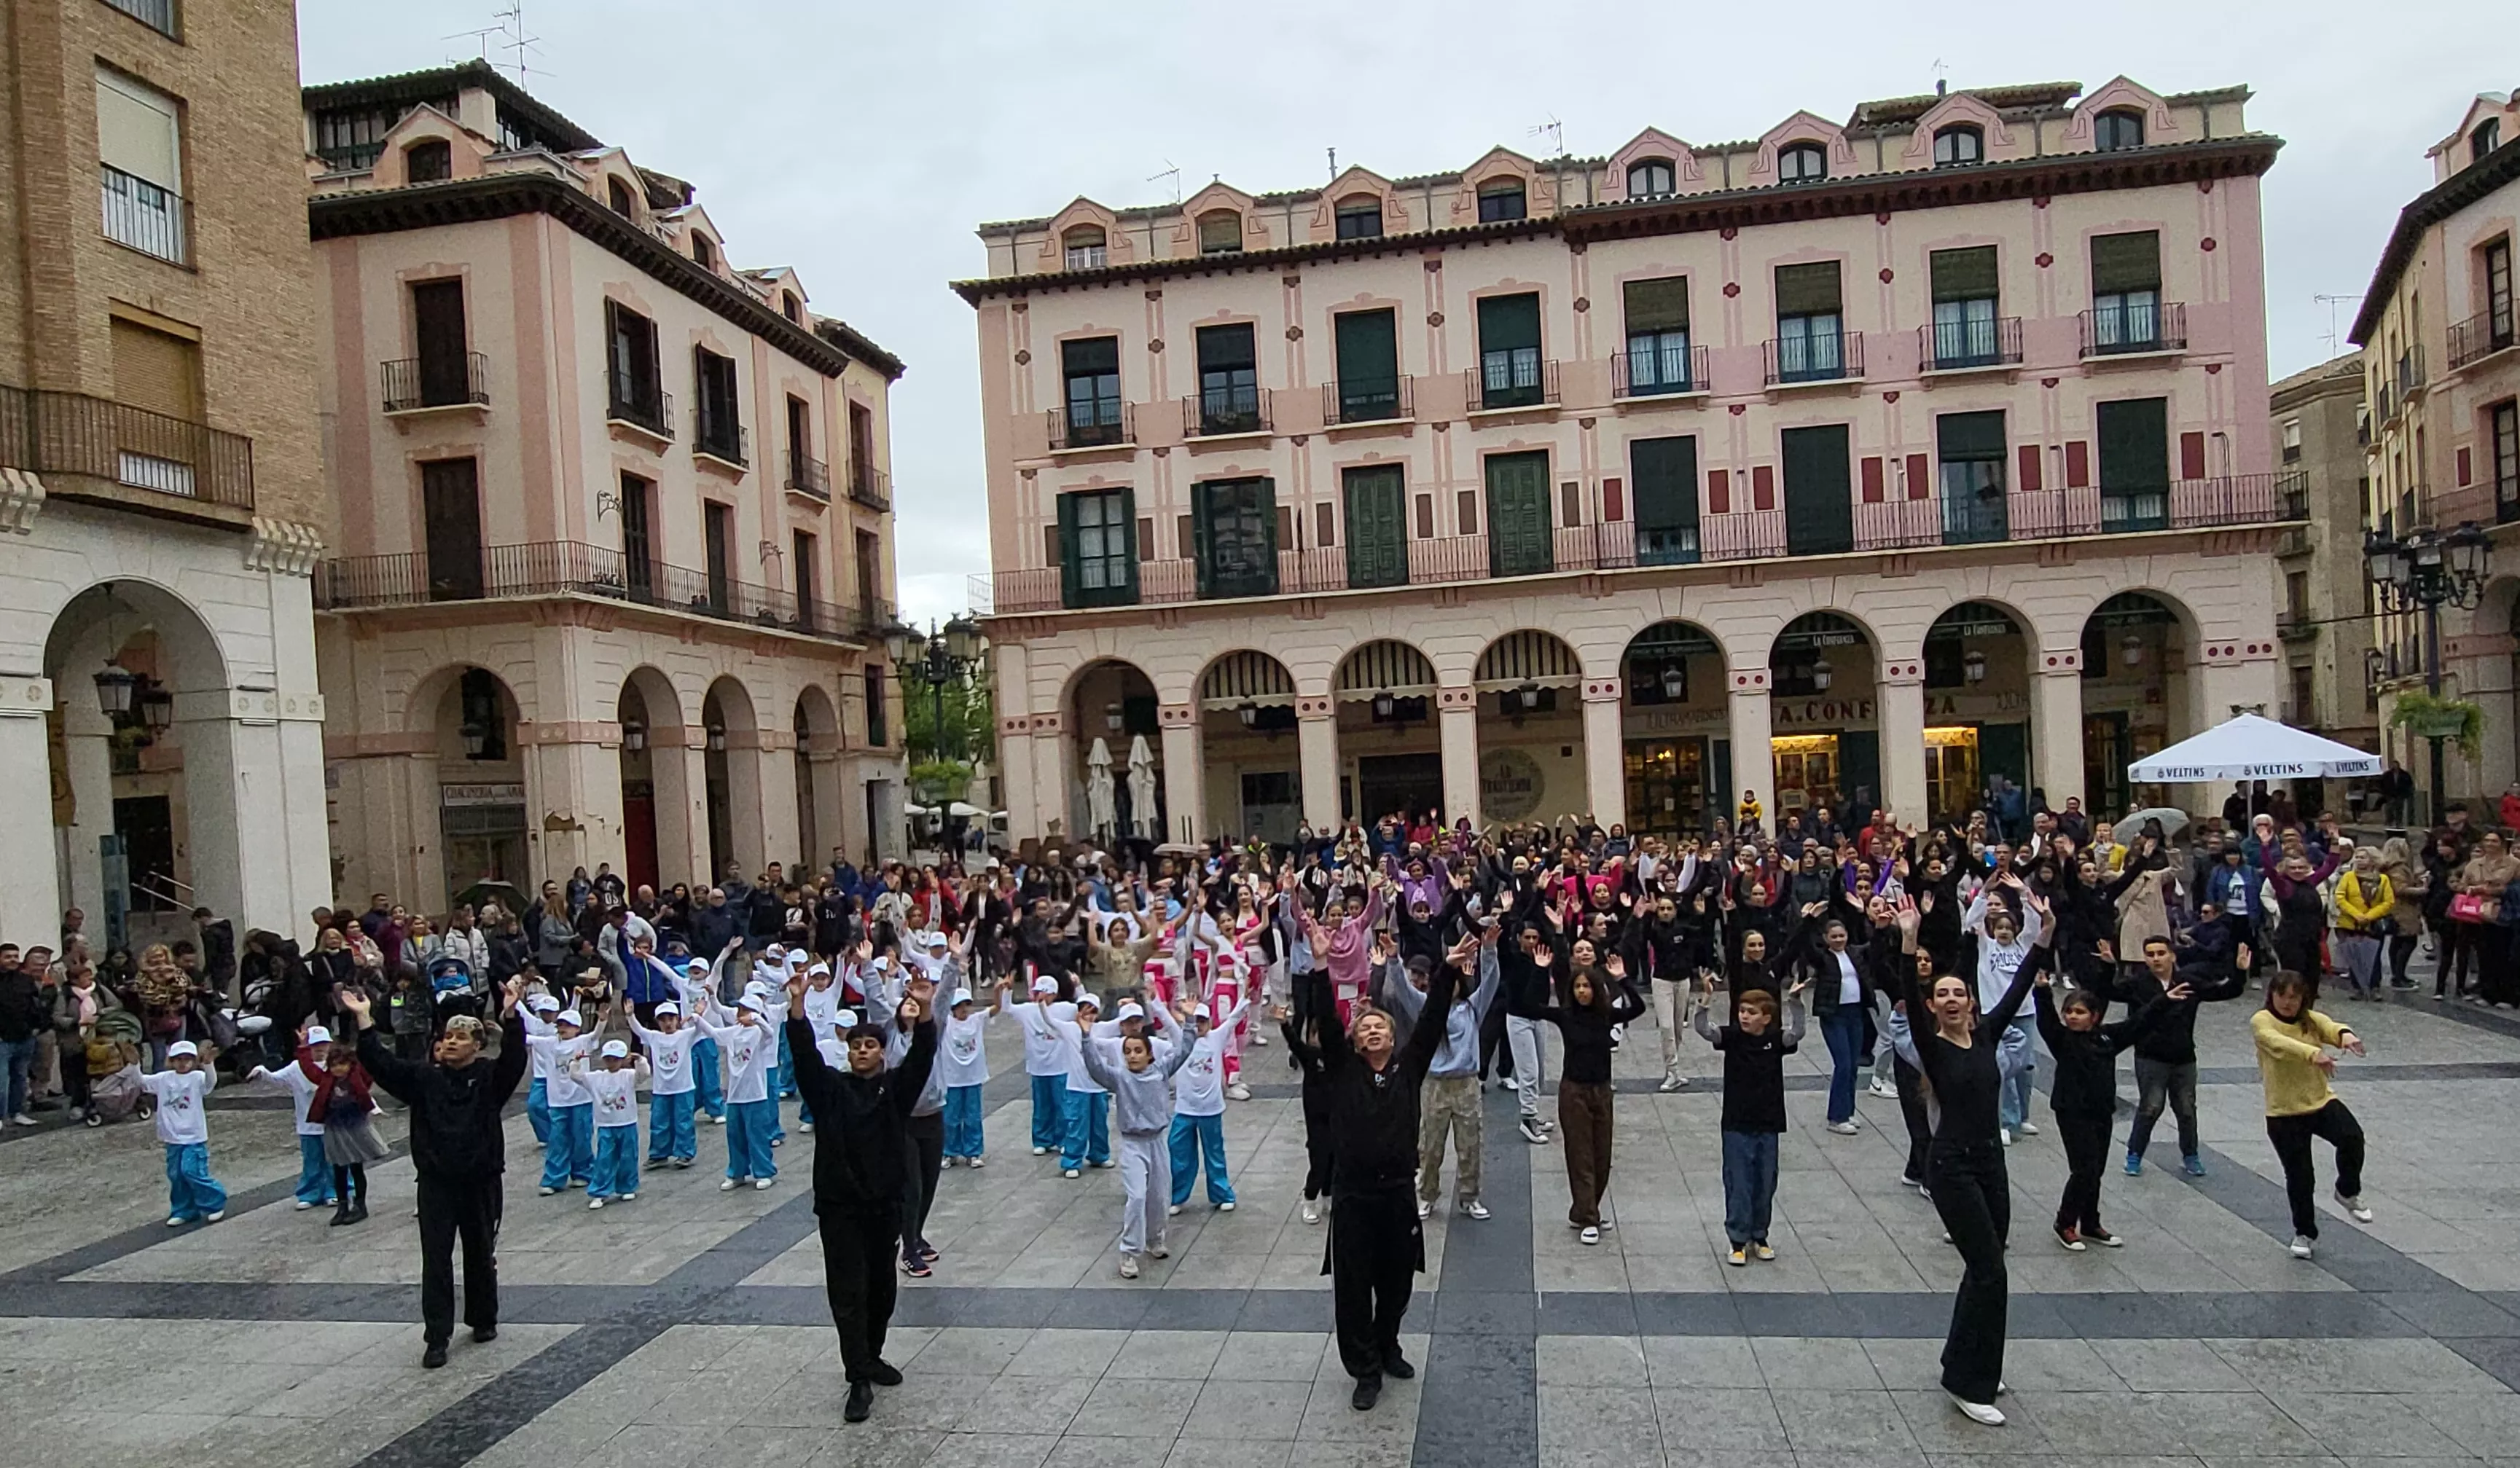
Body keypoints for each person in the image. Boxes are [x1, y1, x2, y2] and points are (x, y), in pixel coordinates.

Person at [1278, 930, 1466, 1413]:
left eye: (1380, 1026)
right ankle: (1364, 1367)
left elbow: (1430, 1022)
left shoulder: (1409, 1068)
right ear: (1356, 1041)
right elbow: (1324, 1017)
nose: (1374, 1031)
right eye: (1365, 1028)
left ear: (1392, 1035)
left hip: (1399, 1193)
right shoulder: (1343, 1069)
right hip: (1354, 1196)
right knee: (1355, 1285)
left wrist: (1449, 969)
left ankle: (1388, 1346)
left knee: (1398, 1281)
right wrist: (1321, 965)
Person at [1888, 894, 2047, 1426]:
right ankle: (1967, 1382)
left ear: (1972, 1002)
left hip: (1990, 1162)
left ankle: (1972, 1358)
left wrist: (2043, 933)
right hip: (1951, 1164)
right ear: (1933, 1005)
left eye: (1959, 992)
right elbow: (1908, 992)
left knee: (1987, 1267)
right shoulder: (1932, 1047)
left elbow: (2023, 982)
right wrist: (1910, 940)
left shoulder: (1987, 1034)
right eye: (1943, 995)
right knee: (1989, 1270)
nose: (1952, 999)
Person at [343, 981, 530, 1367]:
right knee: (437, 1259)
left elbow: (515, 1060)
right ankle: (437, 1336)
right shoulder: (425, 1079)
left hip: (480, 1179)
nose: (451, 1043)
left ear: (477, 1045)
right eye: (447, 1036)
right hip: (436, 1183)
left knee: (480, 1253)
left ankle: (483, 1318)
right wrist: (364, 1021)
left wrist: (511, 1016)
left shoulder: (488, 1078)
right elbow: (383, 1065)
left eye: (461, 1037)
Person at [784, 973, 936, 1424]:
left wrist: (925, 1010)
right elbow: (804, 1057)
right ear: (849, 1053)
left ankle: (872, 1354)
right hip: (839, 1208)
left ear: (883, 1052)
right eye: (856, 1046)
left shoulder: (894, 1092)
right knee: (848, 1290)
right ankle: (857, 1377)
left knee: (881, 1287)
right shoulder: (832, 1090)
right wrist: (797, 1005)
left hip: (884, 1204)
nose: (863, 1050)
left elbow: (924, 1057)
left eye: (871, 1044)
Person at [2032, 970, 2178, 1250]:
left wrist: (2165, 1000)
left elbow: (2138, 1023)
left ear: (2094, 1016)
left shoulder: (2108, 1038)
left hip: (2101, 1112)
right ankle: (2065, 1222)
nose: (2073, 1017)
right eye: (2069, 1012)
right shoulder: (2062, 1039)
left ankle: (2090, 1223)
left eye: (2080, 1012)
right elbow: (2046, 1020)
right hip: (2072, 1112)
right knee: (2084, 1169)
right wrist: (2042, 992)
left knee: (2096, 1170)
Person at [2253, 972, 2372, 1260]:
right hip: (2284, 1112)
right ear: (2273, 995)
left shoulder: (2310, 1019)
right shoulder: (2262, 1021)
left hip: (2319, 1102)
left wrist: (2346, 1036)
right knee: (2301, 1176)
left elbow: (2331, 1027)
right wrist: (2312, 1054)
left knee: (2352, 1137)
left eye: (2294, 997)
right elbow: (2278, 1043)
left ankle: (2347, 1191)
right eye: (2283, 996)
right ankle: (2304, 1233)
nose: (2288, 1003)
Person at [1536, 943, 1644, 1244]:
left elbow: (1637, 1008)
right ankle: (1588, 1217)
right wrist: (1540, 971)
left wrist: (1623, 979)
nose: (1582, 991)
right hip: (1574, 1091)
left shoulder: (1607, 1015)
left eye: (1587, 986)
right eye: (1578, 986)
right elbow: (1528, 1005)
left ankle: (1586, 1209)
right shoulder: (1565, 1015)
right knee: (1580, 1153)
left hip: (1602, 1091)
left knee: (1602, 1154)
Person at [1696, 978, 1807, 1264]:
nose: (1745, 1016)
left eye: (1752, 1012)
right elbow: (1705, 1031)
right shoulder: (1732, 1037)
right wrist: (1704, 1002)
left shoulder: (1775, 1040)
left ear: (1766, 1018)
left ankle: (1760, 1235)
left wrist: (1795, 1003)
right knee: (1739, 1183)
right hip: (1736, 1122)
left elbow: (1797, 1033)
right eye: (1742, 1010)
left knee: (1765, 1181)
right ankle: (1737, 1239)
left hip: (1768, 1122)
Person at [1080, 1007, 1196, 1279]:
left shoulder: (1161, 1070)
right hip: (1133, 1144)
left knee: (1159, 1195)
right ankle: (1129, 1251)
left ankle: (1155, 1239)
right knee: (1137, 1197)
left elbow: (1184, 1051)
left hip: (1157, 1141)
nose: (1132, 1056)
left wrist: (1189, 1021)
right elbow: (1096, 1067)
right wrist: (1086, 1037)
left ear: (1149, 1054)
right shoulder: (1119, 1078)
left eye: (1138, 1051)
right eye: (1128, 1052)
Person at [2121, 935, 2249, 1178]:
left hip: (2183, 1057)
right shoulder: (2138, 984)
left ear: (2172, 956)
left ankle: (2190, 1155)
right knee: (2150, 1107)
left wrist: (2240, 972)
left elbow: (2223, 992)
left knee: (2187, 1109)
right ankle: (2134, 1153)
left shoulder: (2188, 982)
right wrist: (2107, 966)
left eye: (2161, 953)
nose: (2156, 958)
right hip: (2150, 1056)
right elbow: (2107, 991)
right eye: (2151, 954)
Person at [1166, 997, 1247, 1216]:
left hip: (1210, 1110)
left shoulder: (1216, 1038)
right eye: (1196, 1021)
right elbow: (1165, 1018)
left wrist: (1246, 997)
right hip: (1184, 1110)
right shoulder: (1180, 1038)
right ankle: (1177, 1196)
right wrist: (1154, 1000)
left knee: (1214, 1154)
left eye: (1203, 1021)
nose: (1200, 1026)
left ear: (1210, 1023)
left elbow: (1234, 1018)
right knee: (1179, 1153)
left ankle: (1222, 1194)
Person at [138, 1040, 227, 1226]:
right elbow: (141, 1082)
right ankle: (184, 1209)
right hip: (172, 1136)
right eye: (178, 1059)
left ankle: (215, 1202)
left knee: (192, 1170)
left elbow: (210, 1084)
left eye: (187, 1059)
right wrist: (133, 1065)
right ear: (171, 1061)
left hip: (193, 1135)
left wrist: (209, 1065)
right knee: (176, 1174)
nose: (183, 1063)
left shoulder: (196, 1078)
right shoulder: (163, 1079)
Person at [310, 1039, 388, 1225]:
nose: (338, 1069)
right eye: (334, 1065)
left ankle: (360, 1205)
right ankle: (342, 1206)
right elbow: (309, 1070)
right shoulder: (327, 1081)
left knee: (356, 1168)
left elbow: (369, 1074)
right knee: (338, 1169)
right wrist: (304, 1048)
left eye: (342, 1064)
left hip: (354, 1126)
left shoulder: (357, 1079)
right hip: (335, 1127)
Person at [579, 1040, 646, 1208]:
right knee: (604, 1158)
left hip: (627, 1122)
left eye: (616, 1059)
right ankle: (600, 1191)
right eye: (609, 1059)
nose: (612, 1062)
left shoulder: (628, 1075)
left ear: (623, 1059)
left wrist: (640, 1060)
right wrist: (575, 1062)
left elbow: (644, 1074)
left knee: (628, 1156)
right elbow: (576, 1076)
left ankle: (627, 1186)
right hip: (606, 1124)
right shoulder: (597, 1077)